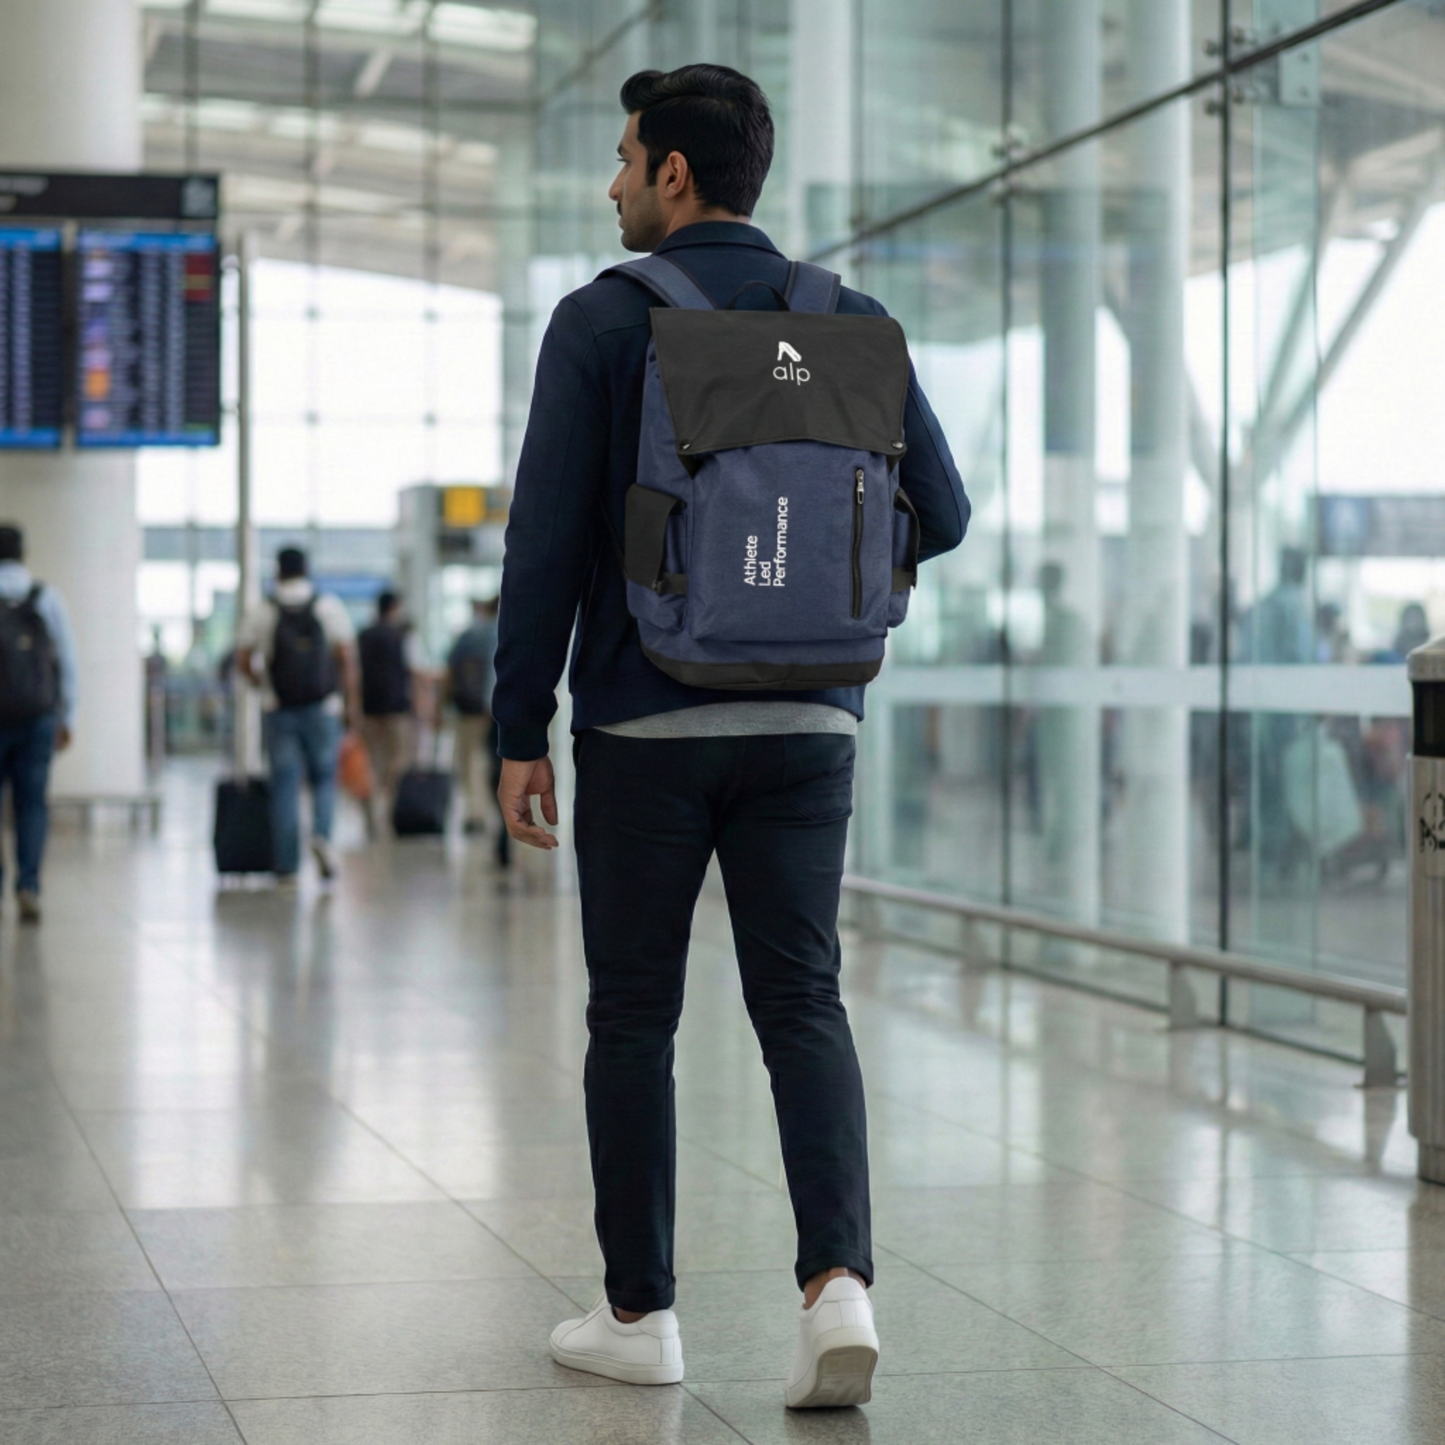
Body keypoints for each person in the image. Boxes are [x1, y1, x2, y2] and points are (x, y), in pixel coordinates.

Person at [491, 65, 967, 1408]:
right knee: (802, 1003)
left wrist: (517, 720)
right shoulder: (851, 316)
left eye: (625, 158)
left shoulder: (603, 321)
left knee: (634, 1017)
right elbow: (948, 505)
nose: (613, 183)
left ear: (675, 176)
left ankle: (640, 1312)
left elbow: (544, 540)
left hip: (646, 719)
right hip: (814, 721)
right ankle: (837, 1292)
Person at [235, 547, 358, 885]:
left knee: (285, 785)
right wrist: (348, 704)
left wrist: (264, 686)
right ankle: (322, 836)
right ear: (307, 570)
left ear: (278, 572)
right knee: (323, 780)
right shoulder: (326, 606)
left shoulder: (263, 610)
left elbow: (243, 659)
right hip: (323, 708)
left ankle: (287, 866)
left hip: (280, 709)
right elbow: (345, 658)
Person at [0, 524, 78, 924]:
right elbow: (66, 660)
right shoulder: (45, 596)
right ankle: (28, 885)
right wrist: (68, 716)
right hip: (37, 717)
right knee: (32, 804)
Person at [357, 590, 427, 832]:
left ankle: (372, 813)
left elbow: (353, 673)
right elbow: (415, 671)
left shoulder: (363, 635)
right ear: (394, 607)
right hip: (398, 708)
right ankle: (389, 810)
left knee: (372, 760)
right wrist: (421, 704)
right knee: (399, 760)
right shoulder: (403, 634)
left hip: (369, 708)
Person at [447, 597, 507, 866]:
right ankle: (491, 812)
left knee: (469, 761)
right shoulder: (508, 631)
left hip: (469, 710)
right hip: (498, 710)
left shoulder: (469, 635)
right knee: (489, 763)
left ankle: (475, 814)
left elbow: (450, 671)